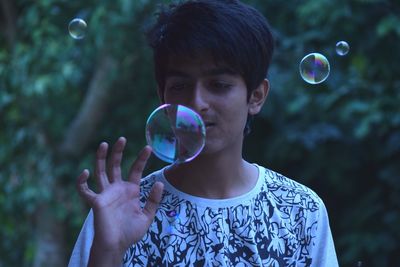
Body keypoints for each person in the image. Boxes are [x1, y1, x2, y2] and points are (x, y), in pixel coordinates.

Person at [68, 0, 339, 266]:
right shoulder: (121, 211)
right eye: (180, 85)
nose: (197, 102)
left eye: (218, 85)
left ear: (256, 96)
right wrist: (109, 252)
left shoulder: (299, 211)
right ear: (163, 97)